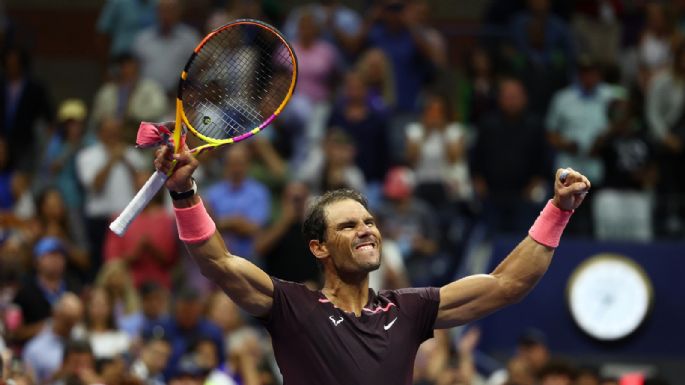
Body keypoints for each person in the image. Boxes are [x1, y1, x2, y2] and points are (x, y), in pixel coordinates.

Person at [153, 138, 590, 384]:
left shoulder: (410, 309)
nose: (365, 229)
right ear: (318, 248)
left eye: (368, 221)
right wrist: (183, 192)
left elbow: (507, 284)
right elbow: (220, 264)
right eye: (347, 226)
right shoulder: (293, 309)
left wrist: (558, 210)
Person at [21, 293, 84, 384]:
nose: (71, 324)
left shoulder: (83, 342)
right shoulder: (35, 348)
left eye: (75, 319)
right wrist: (55, 376)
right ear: (55, 314)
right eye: (67, 319)